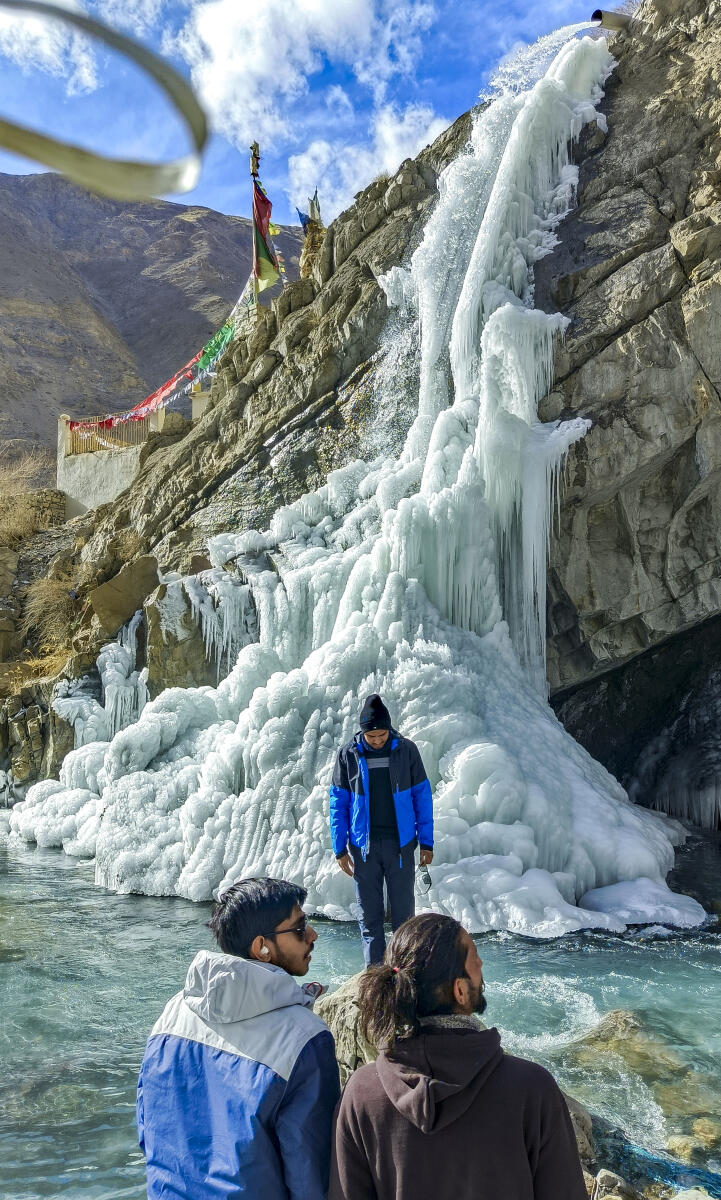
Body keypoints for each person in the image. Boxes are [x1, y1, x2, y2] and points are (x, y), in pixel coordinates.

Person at [329, 913, 588, 1200]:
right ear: (460, 991)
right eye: (474, 957)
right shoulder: (532, 1089)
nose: (481, 964)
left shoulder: (361, 1093)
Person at [137, 877, 340, 1200]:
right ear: (261, 946)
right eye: (300, 928)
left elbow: (148, 1126)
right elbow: (310, 1175)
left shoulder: (172, 1013)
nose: (313, 935)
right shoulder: (305, 1038)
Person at [329, 693, 433, 965]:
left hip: (401, 846)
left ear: (389, 729)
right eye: (371, 736)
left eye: (381, 735)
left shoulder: (407, 751)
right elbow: (337, 804)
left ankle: (403, 978)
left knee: (403, 920)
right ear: (362, 733)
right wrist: (339, 848)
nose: (376, 740)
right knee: (370, 920)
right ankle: (375, 978)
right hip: (364, 849)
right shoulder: (347, 755)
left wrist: (427, 842)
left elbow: (422, 798)